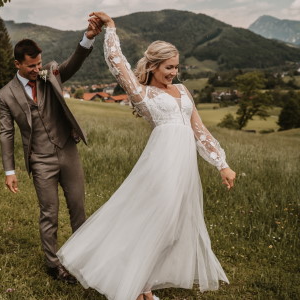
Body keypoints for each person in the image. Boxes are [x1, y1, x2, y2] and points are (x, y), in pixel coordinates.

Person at [57, 12, 236, 300]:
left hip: (184, 169)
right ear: (152, 66)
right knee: (157, 224)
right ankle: (141, 288)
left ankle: (142, 284)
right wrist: (111, 29)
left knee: (173, 227)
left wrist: (222, 164)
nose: (173, 73)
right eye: (167, 67)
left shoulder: (182, 90)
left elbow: (199, 130)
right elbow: (119, 65)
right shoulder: (143, 93)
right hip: (160, 167)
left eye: (176, 67)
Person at [0, 18, 103, 283]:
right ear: (17, 64)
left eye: (39, 64)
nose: (36, 69)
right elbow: (6, 133)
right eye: (31, 66)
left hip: (68, 152)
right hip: (40, 160)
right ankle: (53, 264)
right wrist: (9, 170)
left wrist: (87, 38)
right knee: (49, 213)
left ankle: (83, 258)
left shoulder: (50, 74)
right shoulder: (6, 95)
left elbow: (72, 63)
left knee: (78, 208)